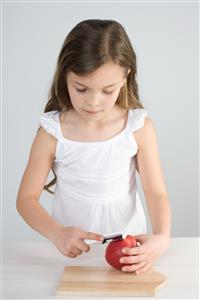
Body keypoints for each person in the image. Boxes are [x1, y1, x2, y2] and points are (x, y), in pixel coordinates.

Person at [16, 19, 171, 275]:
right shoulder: (52, 133)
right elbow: (26, 199)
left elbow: (156, 193)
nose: (93, 102)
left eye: (107, 90)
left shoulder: (138, 127)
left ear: (125, 77)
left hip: (130, 251)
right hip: (72, 255)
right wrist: (56, 233)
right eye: (81, 88)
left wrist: (162, 236)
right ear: (65, 75)